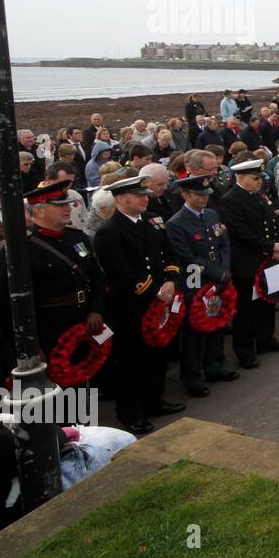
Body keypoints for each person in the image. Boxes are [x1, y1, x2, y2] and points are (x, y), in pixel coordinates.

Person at [91, 175, 185, 435]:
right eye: (138, 195)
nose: (145, 198)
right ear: (121, 199)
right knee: (131, 362)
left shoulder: (153, 223)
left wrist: (171, 280)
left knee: (157, 354)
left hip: (159, 301)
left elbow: (169, 253)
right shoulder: (109, 232)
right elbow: (120, 272)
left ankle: (154, 400)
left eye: (145, 194)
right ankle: (130, 413)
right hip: (131, 307)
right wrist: (156, 289)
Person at [0, 179, 108, 389]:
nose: (68, 208)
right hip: (47, 330)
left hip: (82, 321)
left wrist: (96, 310)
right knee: (53, 392)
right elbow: (4, 301)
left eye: (68, 203)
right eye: (60, 205)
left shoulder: (77, 237)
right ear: (39, 210)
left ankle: (81, 422)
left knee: (82, 382)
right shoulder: (21, 247)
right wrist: (28, 344)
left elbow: (97, 277)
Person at [165, 174, 238, 396]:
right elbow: (187, 258)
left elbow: (223, 242)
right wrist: (218, 273)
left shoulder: (212, 214)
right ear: (185, 195)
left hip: (217, 278)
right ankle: (193, 377)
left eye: (206, 194)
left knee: (216, 320)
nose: (204, 198)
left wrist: (224, 269)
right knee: (195, 330)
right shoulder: (176, 223)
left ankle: (214, 365)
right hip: (195, 281)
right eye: (198, 195)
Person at [219, 158, 279, 368]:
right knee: (246, 309)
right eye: (255, 178)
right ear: (241, 178)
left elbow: (273, 221)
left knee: (267, 301)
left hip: (267, 258)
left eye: (260, 178)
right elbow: (242, 232)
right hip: (247, 261)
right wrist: (271, 247)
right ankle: (244, 350)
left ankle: (265, 339)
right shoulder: (231, 200)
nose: (259, 182)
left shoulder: (259, 195)